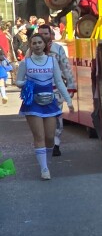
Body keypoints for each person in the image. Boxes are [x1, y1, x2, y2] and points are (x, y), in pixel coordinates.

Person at [15, 32, 74, 179]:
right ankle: (44, 169)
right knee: (39, 136)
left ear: (45, 45)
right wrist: (27, 84)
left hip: (50, 102)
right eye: (34, 43)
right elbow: (18, 82)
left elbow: (59, 82)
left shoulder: (52, 61)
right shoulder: (25, 63)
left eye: (39, 43)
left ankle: (46, 163)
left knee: (49, 137)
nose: (37, 46)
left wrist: (69, 100)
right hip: (33, 103)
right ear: (30, 46)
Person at [36, 22, 76, 156]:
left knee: (56, 117)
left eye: (45, 34)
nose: (43, 37)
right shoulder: (32, 50)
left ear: (51, 35)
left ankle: (56, 143)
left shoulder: (58, 49)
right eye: (40, 34)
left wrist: (71, 87)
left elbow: (66, 68)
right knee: (40, 118)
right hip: (38, 92)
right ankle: (45, 143)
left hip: (55, 90)